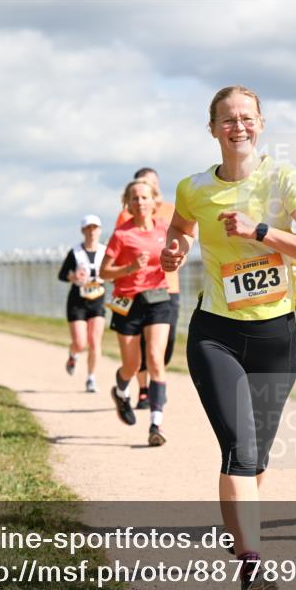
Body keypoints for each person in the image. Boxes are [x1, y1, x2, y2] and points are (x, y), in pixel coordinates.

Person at [160, 85, 296, 590]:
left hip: (275, 334)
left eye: (247, 117)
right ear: (211, 128)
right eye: (228, 119)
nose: (238, 126)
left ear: (261, 123)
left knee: (257, 460)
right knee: (239, 447)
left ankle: (241, 538)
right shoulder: (193, 187)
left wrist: (261, 231)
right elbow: (181, 229)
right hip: (216, 334)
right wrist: (175, 250)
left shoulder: (283, 179)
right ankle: (252, 561)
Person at [100, 179, 172, 446]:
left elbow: (180, 251)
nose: (140, 202)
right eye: (134, 198)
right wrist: (129, 268)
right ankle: (121, 391)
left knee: (155, 358)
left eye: (144, 197)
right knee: (132, 365)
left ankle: (156, 424)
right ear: (127, 203)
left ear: (155, 201)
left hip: (157, 299)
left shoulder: (164, 229)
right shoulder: (121, 235)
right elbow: (104, 273)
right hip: (127, 302)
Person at [116, 167, 182, 410]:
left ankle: (156, 379)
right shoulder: (127, 214)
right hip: (137, 289)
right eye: (141, 186)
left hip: (168, 286)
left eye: (150, 185)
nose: (144, 194)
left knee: (166, 343)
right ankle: (145, 390)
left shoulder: (172, 210)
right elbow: (119, 248)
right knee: (143, 345)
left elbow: (183, 241)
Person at [58, 215, 108, 393]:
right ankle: (73, 354)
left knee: (95, 341)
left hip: (98, 299)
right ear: (83, 231)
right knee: (80, 342)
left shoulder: (105, 251)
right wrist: (73, 276)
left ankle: (91, 378)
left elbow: (113, 272)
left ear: (100, 230)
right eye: (88, 228)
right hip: (77, 301)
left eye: (95, 228)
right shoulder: (75, 252)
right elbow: (62, 274)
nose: (92, 231)